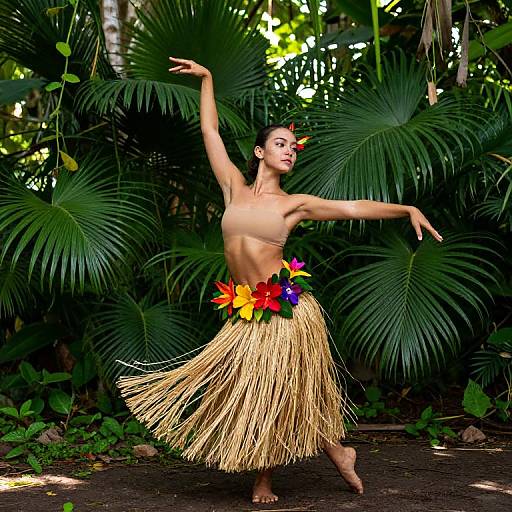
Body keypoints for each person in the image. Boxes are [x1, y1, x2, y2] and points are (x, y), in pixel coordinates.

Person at [116, 57, 443, 505]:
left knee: (273, 392)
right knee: (264, 392)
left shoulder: (295, 204)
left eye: (294, 146)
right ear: (259, 152)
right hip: (245, 310)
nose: (290, 150)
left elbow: (351, 207)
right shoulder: (232, 186)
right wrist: (208, 79)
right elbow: (210, 133)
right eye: (281, 143)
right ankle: (337, 450)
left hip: (285, 313)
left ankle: (266, 479)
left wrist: (405, 210)